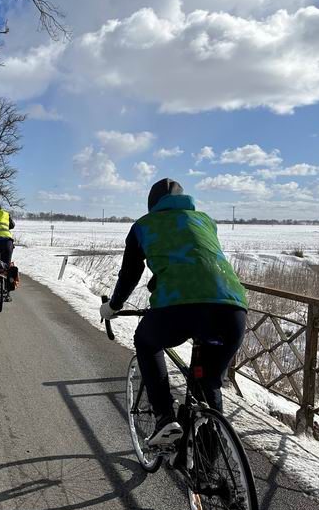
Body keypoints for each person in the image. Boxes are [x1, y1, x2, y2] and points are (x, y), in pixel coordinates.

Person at [100, 178, 247, 447]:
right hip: (233, 309)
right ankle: (211, 470)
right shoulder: (205, 221)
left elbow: (131, 274)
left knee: (145, 341)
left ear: (152, 205)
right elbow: (199, 260)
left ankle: (164, 417)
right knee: (208, 381)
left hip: (178, 307)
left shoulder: (143, 226)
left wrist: (113, 306)